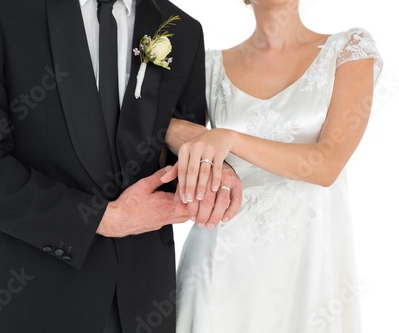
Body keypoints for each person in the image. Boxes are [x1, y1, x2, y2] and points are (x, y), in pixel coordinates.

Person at [0, 0, 242, 332]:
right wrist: (102, 219)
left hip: (143, 302)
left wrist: (211, 175)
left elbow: (174, 161)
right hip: (34, 295)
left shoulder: (182, 29)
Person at [163, 0, 383, 332]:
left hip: (306, 269)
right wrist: (171, 130)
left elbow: (326, 165)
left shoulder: (349, 50)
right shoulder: (209, 67)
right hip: (219, 265)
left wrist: (230, 139)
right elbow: (177, 146)